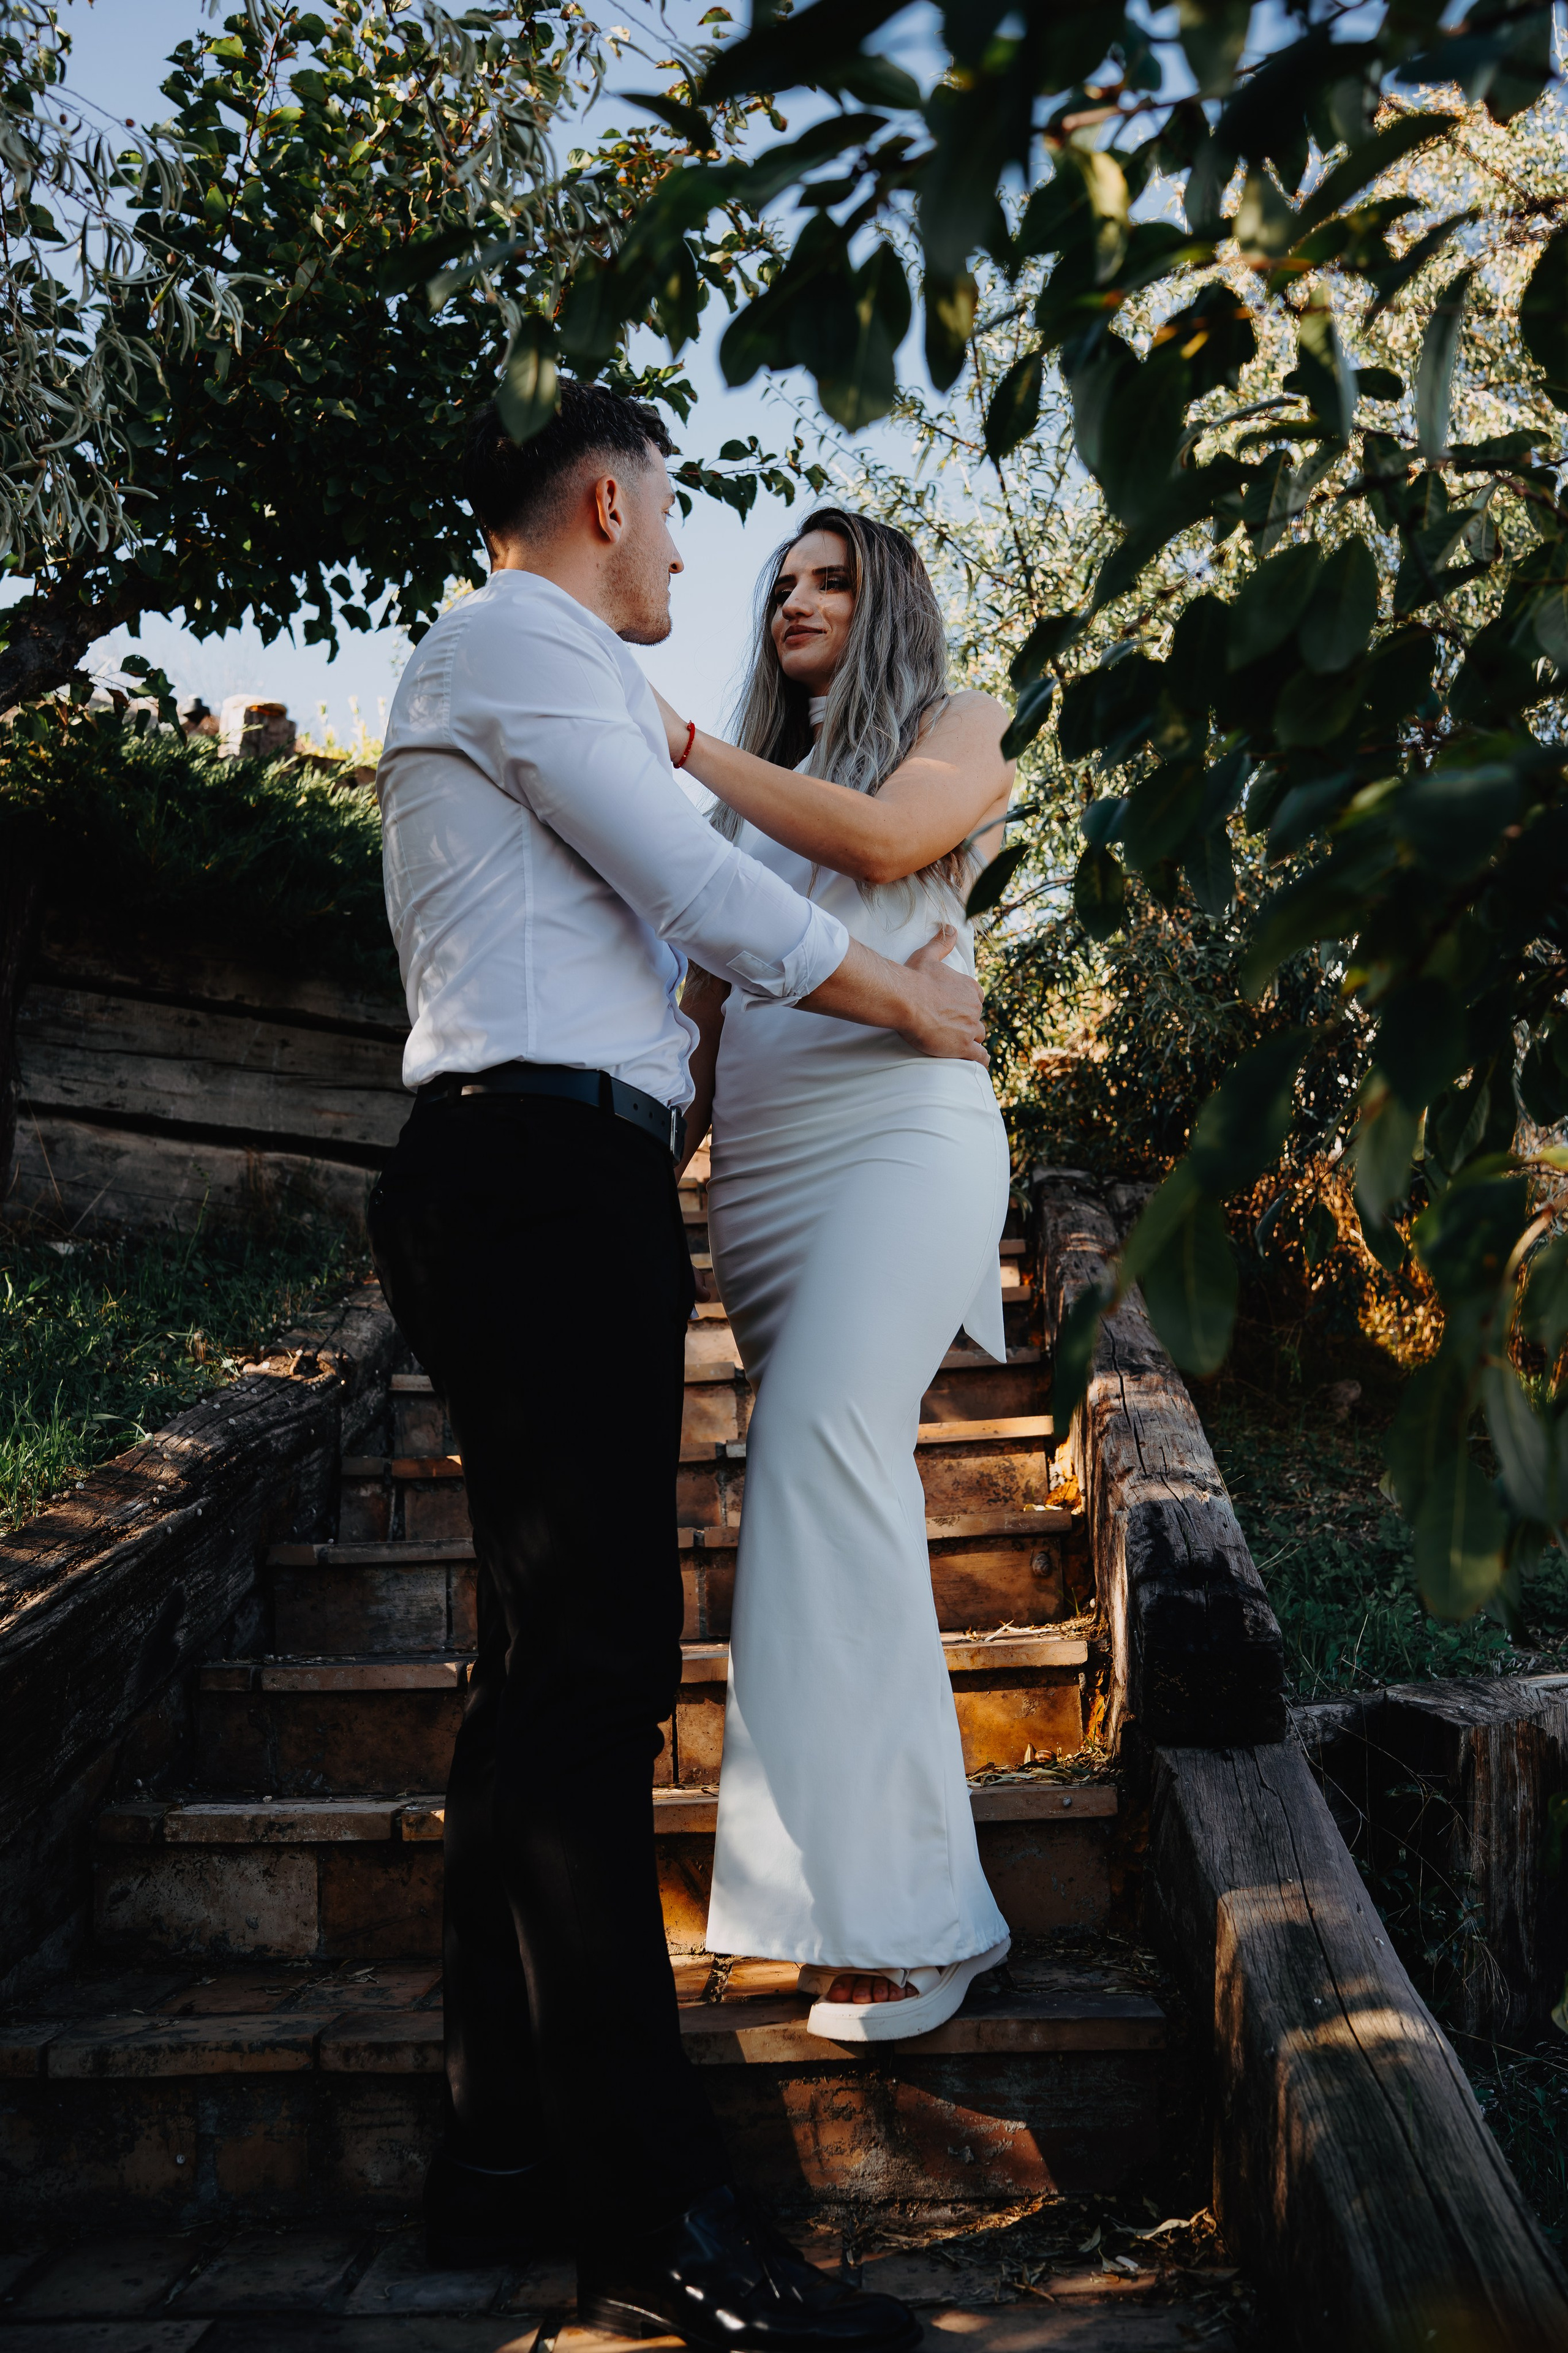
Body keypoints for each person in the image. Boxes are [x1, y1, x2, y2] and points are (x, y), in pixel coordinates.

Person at [367, 385, 987, 2349]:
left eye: (813, 571)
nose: (707, 572)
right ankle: (657, 2218)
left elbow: (698, 925)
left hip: (563, 1174)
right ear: (611, 501)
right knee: (598, 1680)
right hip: (541, 1177)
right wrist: (901, 992)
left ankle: (497, 2157)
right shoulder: (525, 644)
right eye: (693, 532)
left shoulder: (558, 673)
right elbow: (705, 895)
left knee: (545, 1677)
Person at [652, 510, 1017, 2043]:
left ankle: (922, 1913)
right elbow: (699, 1022)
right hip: (770, 1182)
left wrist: (677, 747)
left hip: (900, 1142)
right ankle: (847, 1894)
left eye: (829, 580)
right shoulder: (737, 800)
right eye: (779, 583)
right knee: (816, 1490)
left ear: (886, 605)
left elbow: (880, 846)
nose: (794, 600)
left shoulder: (958, 721)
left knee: (815, 1455)